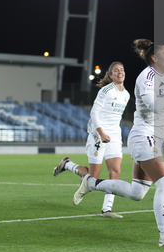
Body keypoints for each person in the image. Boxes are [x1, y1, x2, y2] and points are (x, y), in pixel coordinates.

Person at [62, 39, 164, 248]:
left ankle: (91, 183)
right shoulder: (146, 77)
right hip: (143, 137)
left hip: (149, 138)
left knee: (137, 192)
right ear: (154, 58)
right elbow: (155, 106)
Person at [53, 62, 130, 218]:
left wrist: (118, 136)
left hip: (114, 136)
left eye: (121, 70)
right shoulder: (106, 91)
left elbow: (117, 118)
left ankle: (106, 210)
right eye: (116, 71)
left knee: (115, 172)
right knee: (93, 177)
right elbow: (94, 113)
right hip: (98, 134)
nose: (120, 72)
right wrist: (101, 133)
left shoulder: (126, 94)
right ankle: (67, 164)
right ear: (110, 75)